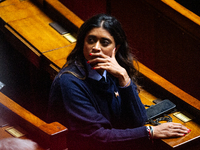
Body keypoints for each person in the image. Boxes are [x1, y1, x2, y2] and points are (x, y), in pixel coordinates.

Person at [47, 14, 190, 150]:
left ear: (116, 48)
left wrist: (124, 78)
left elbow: (138, 120)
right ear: (83, 43)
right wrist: (149, 131)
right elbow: (97, 136)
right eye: (91, 40)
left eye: (104, 42)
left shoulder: (115, 71)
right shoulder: (69, 81)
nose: (96, 47)